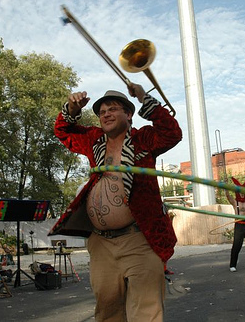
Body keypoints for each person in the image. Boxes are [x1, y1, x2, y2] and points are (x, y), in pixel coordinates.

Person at [50, 83, 182, 321]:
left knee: (146, 312)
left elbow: (172, 133)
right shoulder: (93, 140)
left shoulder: (144, 139)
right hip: (101, 244)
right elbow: (63, 132)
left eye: (113, 109)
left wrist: (144, 97)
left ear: (129, 114)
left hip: (140, 239)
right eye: (102, 112)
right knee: (107, 312)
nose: (106, 114)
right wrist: (71, 109)